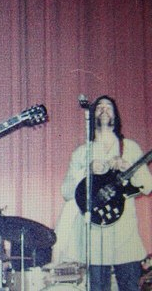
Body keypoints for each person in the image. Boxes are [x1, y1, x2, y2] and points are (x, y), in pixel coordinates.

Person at [59, 95, 152, 291]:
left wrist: (128, 166)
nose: (103, 109)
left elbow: (148, 185)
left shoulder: (130, 148)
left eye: (108, 106)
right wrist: (87, 170)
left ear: (115, 115)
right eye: (99, 107)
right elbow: (67, 191)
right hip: (94, 234)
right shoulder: (83, 152)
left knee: (130, 287)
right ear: (92, 116)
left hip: (124, 233)